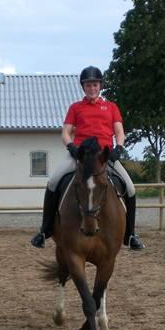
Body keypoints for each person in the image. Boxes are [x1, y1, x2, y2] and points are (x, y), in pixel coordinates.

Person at [30, 65, 145, 251]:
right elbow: (65, 133)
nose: (92, 88)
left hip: (104, 156)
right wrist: (71, 147)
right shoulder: (76, 107)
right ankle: (45, 231)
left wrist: (119, 148)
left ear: (100, 86)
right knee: (52, 182)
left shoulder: (111, 107)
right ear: (83, 87)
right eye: (88, 85)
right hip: (81, 156)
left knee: (130, 188)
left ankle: (130, 235)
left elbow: (119, 132)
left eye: (95, 85)